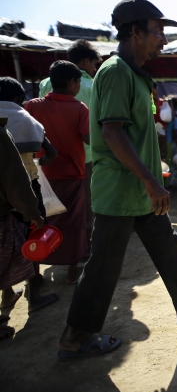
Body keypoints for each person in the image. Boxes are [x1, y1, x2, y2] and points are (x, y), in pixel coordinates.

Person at [58, 0, 177, 360]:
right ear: (135, 32)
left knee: (168, 246)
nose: (163, 40)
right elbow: (113, 133)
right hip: (122, 190)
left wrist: (153, 179)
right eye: (158, 32)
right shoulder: (116, 71)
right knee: (104, 264)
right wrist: (152, 181)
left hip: (141, 191)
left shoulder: (134, 74)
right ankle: (74, 337)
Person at [26, 61, 90, 284]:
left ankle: (35, 275)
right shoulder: (80, 108)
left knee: (38, 221)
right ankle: (72, 272)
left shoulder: (33, 105)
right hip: (72, 175)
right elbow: (88, 138)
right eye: (78, 82)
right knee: (73, 223)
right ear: (72, 82)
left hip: (39, 174)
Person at [0, 116, 59, 340]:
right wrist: (32, 212)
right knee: (28, 245)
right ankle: (34, 296)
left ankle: (7, 296)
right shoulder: (11, 127)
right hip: (6, 208)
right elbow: (14, 178)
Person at [39, 39, 101, 249]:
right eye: (94, 64)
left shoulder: (45, 85)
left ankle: (56, 245)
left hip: (49, 159)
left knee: (54, 206)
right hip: (83, 159)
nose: (95, 69)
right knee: (84, 206)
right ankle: (83, 248)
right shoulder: (91, 87)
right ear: (85, 61)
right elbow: (93, 131)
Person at [164, 95, 177, 189]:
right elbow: (176, 135)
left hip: (160, 143)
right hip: (170, 144)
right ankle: (168, 185)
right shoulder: (174, 119)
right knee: (171, 165)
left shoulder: (162, 117)